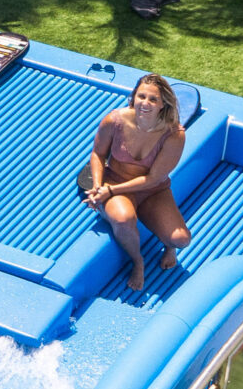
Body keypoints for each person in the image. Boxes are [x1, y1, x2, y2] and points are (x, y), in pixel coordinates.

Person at [81, 73, 192, 292]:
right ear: (133, 97)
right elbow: (97, 154)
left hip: (152, 190)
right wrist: (97, 186)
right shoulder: (114, 120)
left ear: (163, 105)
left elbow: (154, 178)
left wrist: (109, 190)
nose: (145, 103)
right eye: (141, 96)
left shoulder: (174, 134)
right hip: (115, 181)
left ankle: (169, 247)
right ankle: (138, 261)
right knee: (123, 219)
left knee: (181, 239)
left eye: (153, 99)